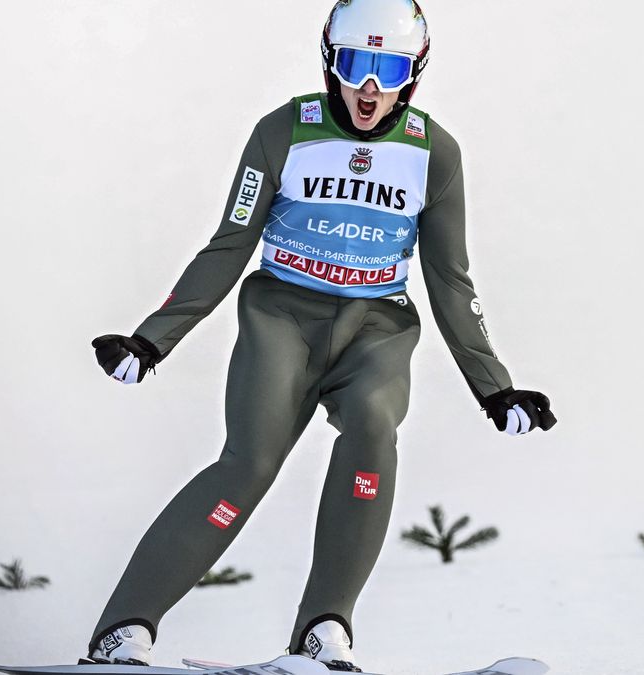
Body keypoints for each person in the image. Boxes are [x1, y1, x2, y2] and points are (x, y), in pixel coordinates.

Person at [86, 0, 556, 670]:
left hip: (376, 330)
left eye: (388, 70)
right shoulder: (282, 132)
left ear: (414, 74)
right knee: (248, 464)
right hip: (283, 318)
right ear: (330, 62)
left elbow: (451, 279)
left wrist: (496, 387)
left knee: (373, 426)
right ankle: (122, 630)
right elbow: (229, 244)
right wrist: (152, 339)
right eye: (356, 65)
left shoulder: (434, 153)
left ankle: (324, 627)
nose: (370, 89)